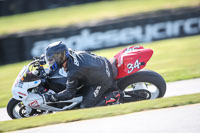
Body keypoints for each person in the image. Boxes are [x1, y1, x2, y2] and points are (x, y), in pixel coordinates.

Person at [44, 41, 122, 108]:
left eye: (52, 59)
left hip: (104, 78)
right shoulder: (70, 53)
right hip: (102, 62)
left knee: (85, 106)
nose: (50, 62)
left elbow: (69, 93)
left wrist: (52, 97)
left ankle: (113, 96)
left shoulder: (73, 72)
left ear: (60, 57)